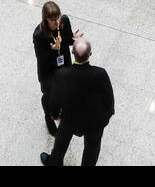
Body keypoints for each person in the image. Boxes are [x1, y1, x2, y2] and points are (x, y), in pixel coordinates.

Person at [40, 36, 115, 167]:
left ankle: (54, 163)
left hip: (69, 120)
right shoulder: (100, 74)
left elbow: (55, 99)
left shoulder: (61, 75)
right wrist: (107, 116)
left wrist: (55, 115)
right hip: (94, 122)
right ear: (90, 53)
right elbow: (109, 98)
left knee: (60, 144)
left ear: (72, 53)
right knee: (92, 147)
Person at [32, 1, 78, 136]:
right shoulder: (39, 35)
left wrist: (74, 40)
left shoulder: (64, 21)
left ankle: (62, 112)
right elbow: (41, 59)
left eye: (58, 17)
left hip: (64, 66)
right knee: (50, 98)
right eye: (53, 19)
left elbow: (68, 40)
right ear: (45, 19)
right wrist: (53, 50)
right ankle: (49, 117)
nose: (57, 22)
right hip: (49, 72)